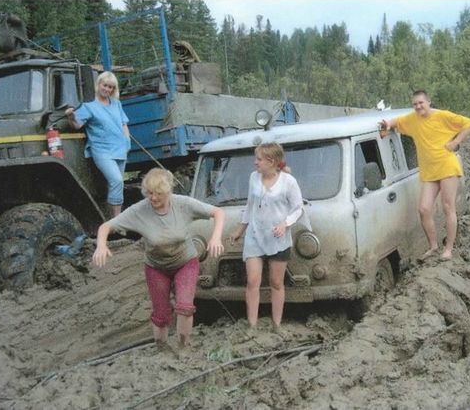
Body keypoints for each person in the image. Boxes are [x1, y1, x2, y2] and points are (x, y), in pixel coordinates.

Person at [92, 168, 225, 348]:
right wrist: (101, 245)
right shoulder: (140, 210)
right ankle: (161, 348)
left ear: (168, 192)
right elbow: (106, 227)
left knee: (185, 307)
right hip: (156, 267)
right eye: (149, 193)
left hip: (185, 262)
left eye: (159, 194)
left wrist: (215, 238)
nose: (153, 198)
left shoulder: (183, 204)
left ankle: (183, 347)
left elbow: (218, 212)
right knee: (161, 314)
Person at [379, 90, 470, 261]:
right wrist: (386, 124)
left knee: (448, 207)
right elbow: (396, 122)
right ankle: (433, 246)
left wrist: (455, 142)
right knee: (424, 209)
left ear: (429, 102)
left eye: (421, 103)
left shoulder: (442, 116)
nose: (418, 106)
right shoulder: (412, 119)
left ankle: (448, 249)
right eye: (415, 104)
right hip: (429, 171)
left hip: (446, 166)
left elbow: (469, 124)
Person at [228, 142, 308, 331]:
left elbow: (298, 209)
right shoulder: (253, 178)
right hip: (255, 235)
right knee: (252, 281)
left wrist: (284, 223)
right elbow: (250, 206)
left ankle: (276, 324)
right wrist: (240, 230)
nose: (255, 163)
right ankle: (252, 325)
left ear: (271, 161)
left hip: (278, 238)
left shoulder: (288, 182)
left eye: (259, 159)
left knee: (276, 282)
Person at [66, 71, 131, 217]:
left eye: (111, 87)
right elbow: (76, 125)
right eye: (105, 85)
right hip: (102, 151)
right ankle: (117, 219)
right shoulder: (89, 107)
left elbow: (124, 123)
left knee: (115, 185)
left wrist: (127, 142)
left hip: (120, 149)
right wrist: (71, 117)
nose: (107, 89)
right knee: (117, 180)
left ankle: (113, 219)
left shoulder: (116, 104)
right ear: (98, 85)